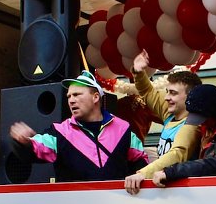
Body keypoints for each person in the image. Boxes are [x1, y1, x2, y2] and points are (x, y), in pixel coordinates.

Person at [9, 71, 148, 182]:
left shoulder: (123, 128)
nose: (71, 100)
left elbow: (141, 160)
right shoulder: (60, 132)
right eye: (69, 96)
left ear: (95, 97)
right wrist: (24, 143)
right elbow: (36, 148)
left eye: (76, 95)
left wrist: (140, 176)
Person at [125, 84, 216, 192]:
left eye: (202, 119)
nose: (199, 123)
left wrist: (171, 172)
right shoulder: (212, 124)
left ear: (214, 113)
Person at [124, 50, 202, 189]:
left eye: (173, 93)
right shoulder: (170, 113)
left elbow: (177, 154)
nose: (166, 98)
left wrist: (144, 173)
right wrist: (138, 72)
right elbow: (148, 92)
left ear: (191, 97)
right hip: (165, 185)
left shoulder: (193, 123)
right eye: (167, 92)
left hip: (185, 189)